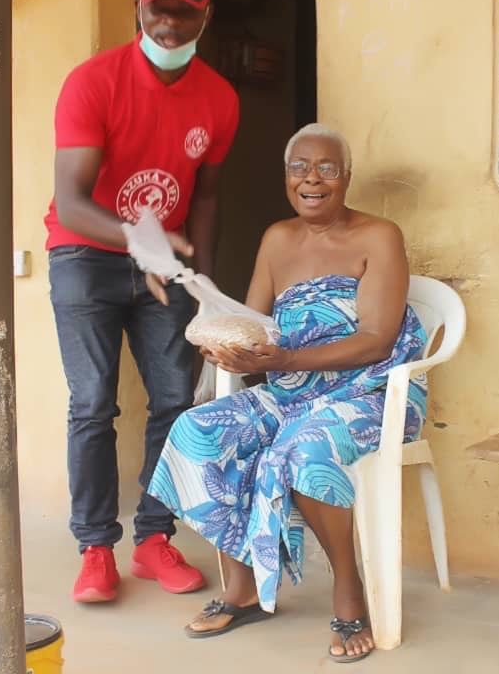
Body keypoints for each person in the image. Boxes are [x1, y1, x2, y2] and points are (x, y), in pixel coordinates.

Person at [146, 123, 428, 663]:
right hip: (291, 388)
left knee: (304, 448)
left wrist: (283, 360)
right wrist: (230, 347)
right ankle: (241, 589)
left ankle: (349, 591)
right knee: (198, 428)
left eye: (326, 168)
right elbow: (256, 326)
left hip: (373, 393)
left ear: (346, 177)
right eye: (299, 168)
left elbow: (376, 341)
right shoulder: (277, 239)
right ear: (286, 177)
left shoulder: (379, 236)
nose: (311, 179)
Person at [45, 0, 239, 603]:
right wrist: (143, 243)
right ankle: (95, 547)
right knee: (94, 402)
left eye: (183, 11)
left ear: (205, 12)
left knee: (176, 400)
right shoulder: (93, 82)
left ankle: (154, 539)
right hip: (86, 255)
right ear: (137, 3)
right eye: (158, 7)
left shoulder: (219, 99)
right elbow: (72, 202)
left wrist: (203, 289)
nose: (168, 23)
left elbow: (206, 201)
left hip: (166, 263)